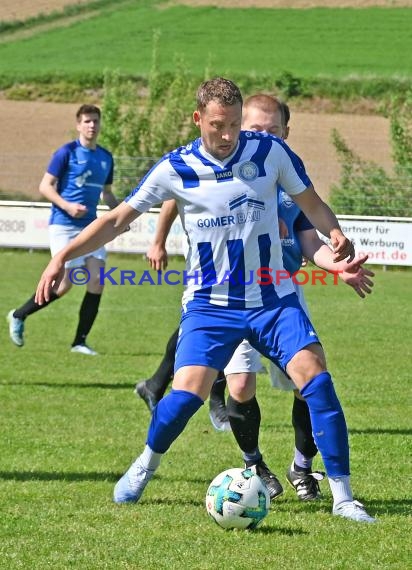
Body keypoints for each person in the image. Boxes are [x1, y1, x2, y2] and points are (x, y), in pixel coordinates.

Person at [35, 77, 376, 522]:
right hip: (210, 305)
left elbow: (310, 204)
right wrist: (62, 254)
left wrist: (335, 233)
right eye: (218, 125)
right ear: (198, 119)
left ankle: (344, 499)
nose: (229, 135)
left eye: (235, 124)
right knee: (185, 397)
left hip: (273, 298)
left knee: (318, 382)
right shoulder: (174, 168)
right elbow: (118, 219)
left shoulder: (270, 152)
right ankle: (145, 465)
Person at [134, 94, 374, 502]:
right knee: (241, 385)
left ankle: (302, 466)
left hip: (280, 295)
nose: (261, 136)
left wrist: (336, 266)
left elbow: (309, 238)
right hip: (224, 297)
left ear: (285, 132)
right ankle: (253, 462)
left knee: (309, 383)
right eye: (254, 129)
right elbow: (176, 193)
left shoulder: (285, 177)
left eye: (271, 130)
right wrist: (158, 239)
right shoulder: (226, 169)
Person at [7, 104, 119, 355]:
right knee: (64, 284)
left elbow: (107, 194)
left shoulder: (105, 157)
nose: (92, 125)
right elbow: (46, 186)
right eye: (87, 121)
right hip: (64, 224)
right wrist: (67, 206)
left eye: (95, 121)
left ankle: (79, 342)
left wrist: (122, 215)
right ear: (79, 125)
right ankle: (18, 315)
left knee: (97, 281)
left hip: (90, 227)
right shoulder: (66, 153)